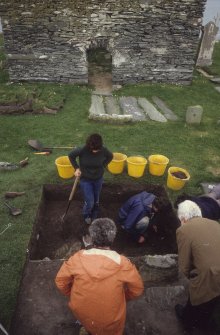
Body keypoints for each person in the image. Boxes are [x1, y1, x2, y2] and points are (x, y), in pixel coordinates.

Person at [55, 218, 144, 335]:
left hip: (80, 311)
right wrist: (123, 297)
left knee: (88, 325)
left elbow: (60, 282)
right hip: (111, 319)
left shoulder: (77, 258)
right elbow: (137, 290)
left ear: (92, 237)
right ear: (113, 237)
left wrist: (73, 293)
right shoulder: (123, 264)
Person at [175, 200, 220, 330]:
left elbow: (184, 265)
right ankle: (208, 320)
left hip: (211, 273)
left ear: (183, 218)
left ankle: (188, 322)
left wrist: (191, 276)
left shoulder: (184, 230)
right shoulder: (214, 223)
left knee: (198, 295)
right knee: (214, 297)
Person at [68, 133, 113, 224]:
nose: (95, 152)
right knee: (90, 201)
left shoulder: (103, 150)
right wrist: (76, 168)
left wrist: (103, 165)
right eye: (93, 150)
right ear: (89, 145)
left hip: (98, 179)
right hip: (85, 180)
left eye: (97, 150)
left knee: (96, 199)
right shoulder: (82, 150)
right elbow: (71, 155)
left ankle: (95, 212)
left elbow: (110, 156)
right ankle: (86, 214)